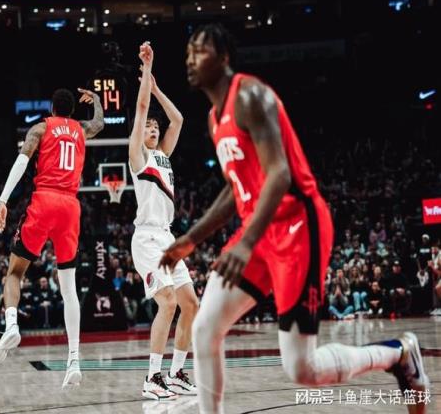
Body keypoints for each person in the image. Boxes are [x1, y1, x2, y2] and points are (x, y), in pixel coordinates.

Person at [160, 23, 430, 413]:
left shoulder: (250, 96)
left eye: (199, 51)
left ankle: (399, 354)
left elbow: (279, 174)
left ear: (224, 57)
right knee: (204, 328)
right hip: (259, 230)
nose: (190, 59)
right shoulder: (214, 119)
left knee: (302, 367)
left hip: (298, 227)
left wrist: (246, 242)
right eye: (188, 52)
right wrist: (191, 240)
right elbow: (236, 187)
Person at [0, 87, 104, 389]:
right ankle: (74, 360)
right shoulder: (81, 129)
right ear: (72, 111)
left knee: (15, 272)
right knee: (69, 289)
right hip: (70, 207)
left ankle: (11, 324)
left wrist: (3, 199)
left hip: (45, 201)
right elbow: (99, 123)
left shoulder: (40, 128)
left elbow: (22, 161)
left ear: (52, 109)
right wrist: (97, 100)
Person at [129, 42, 199, 400]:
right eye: (148, 127)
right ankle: (152, 378)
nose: (153, 128)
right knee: (168, 302)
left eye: (156, 126)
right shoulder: (139, 156)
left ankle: (175, 374)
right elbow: (141, 108)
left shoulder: (163, 156)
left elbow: (180, 120)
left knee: (191, 304)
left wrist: (157, 90)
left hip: (168, 239)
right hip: (146, 239)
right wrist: (147, 71)